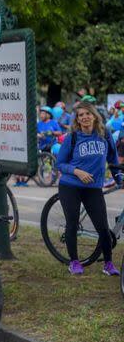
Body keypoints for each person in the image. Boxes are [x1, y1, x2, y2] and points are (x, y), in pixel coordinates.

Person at [55, 101, 121, 276]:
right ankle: (74, 262)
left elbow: (113, 159)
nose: (84, 117)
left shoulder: (104, 134)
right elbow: (60, 163)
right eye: (80, 115)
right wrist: (77, 171)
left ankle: (108, 264)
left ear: (94, 115)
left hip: (93, 188)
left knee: (103, 227)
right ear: (77, 119)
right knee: (72, 223)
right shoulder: (73, 137)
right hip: (70, 185)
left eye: (87, 114)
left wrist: (118, 179)